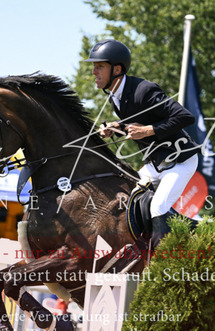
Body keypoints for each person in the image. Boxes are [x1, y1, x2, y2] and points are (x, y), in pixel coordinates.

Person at [85, 39, 199, 246]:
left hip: (179, 161)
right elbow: (137, 122)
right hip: (155, 163)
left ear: (117, 69)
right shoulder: (115, 96)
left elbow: (185, 117)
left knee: (158, 207)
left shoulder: (144, 90)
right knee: (127, 200)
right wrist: (115, 127)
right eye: (94, 66)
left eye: (99, 66)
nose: (94, 72)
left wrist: (148, 130)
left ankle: (158, 257)